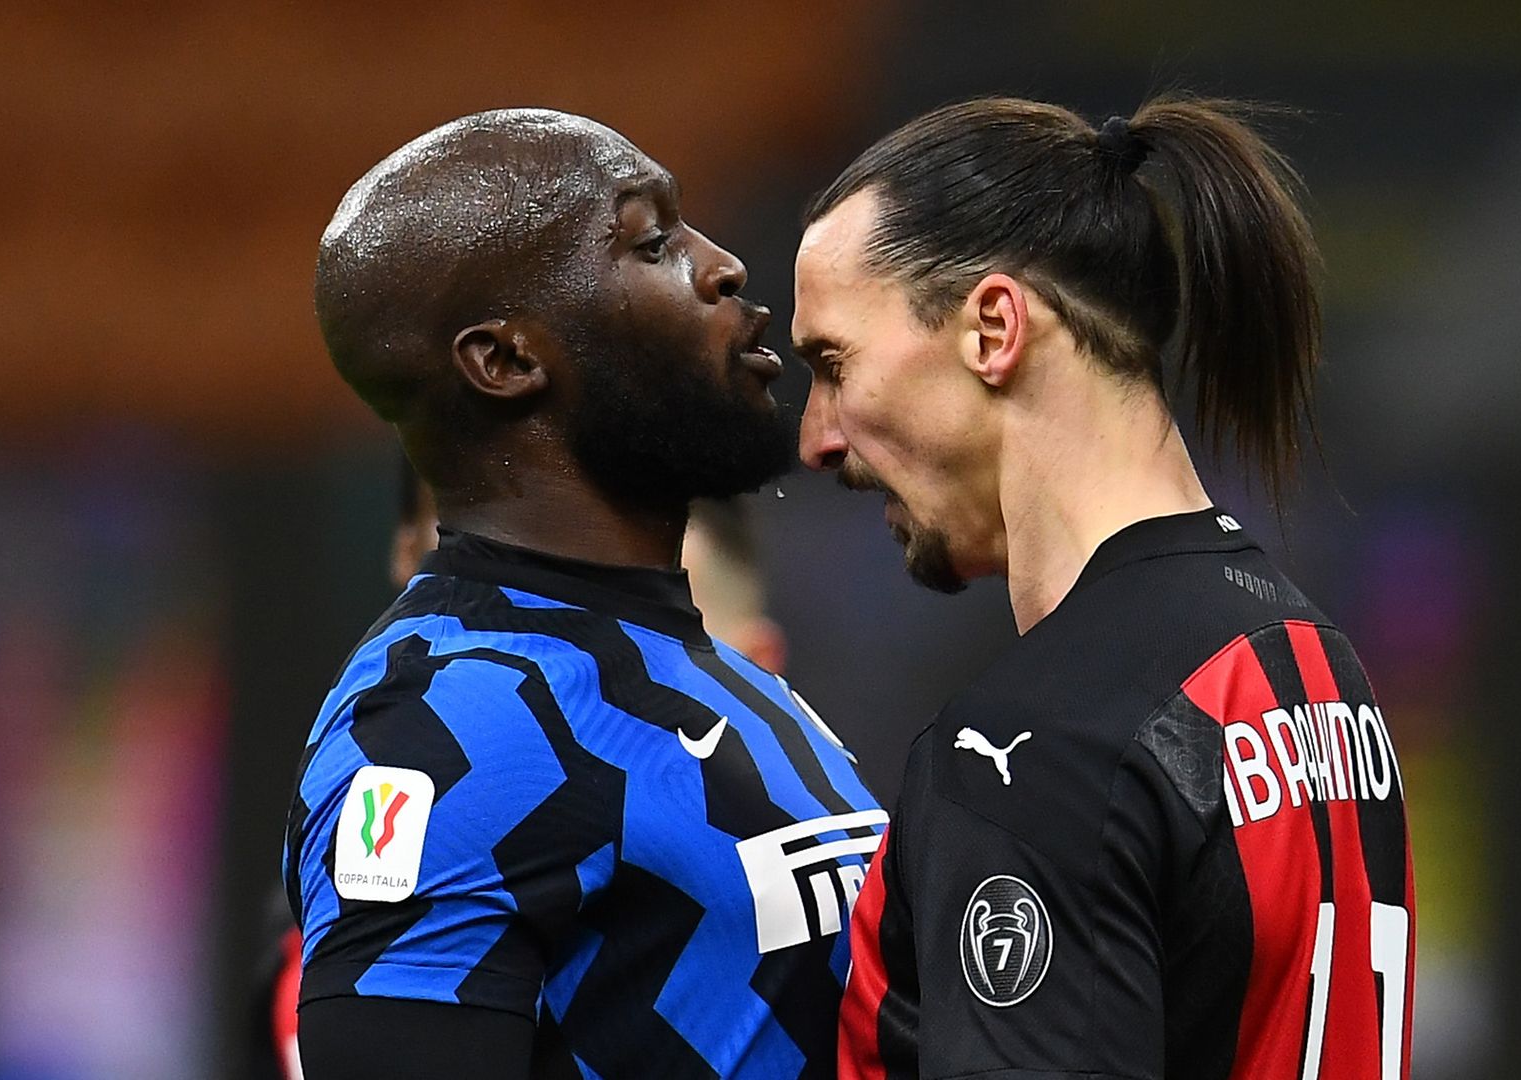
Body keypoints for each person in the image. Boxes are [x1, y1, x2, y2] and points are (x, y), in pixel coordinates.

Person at [793, 96, 1415, 1080]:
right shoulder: (1314, 664)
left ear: (994, 328)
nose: (816, 438)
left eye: (834, 364)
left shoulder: (1036, 751)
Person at [287, 110, 884, 1080]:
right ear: (509, 362)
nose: (723, 267)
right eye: (652, 243)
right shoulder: (441, 731)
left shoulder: (705, 669)